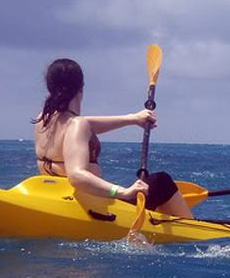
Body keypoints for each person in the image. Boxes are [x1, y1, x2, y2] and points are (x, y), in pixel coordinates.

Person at [32, 58, 192, 218]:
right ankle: (193, 228)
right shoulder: (77, 125)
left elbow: (86, 125)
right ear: (81, 87)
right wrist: (123, 192)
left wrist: (133, 118)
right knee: (161, 182)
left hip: (60, 196)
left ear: (50, 87)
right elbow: (76, 176)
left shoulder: (43, 120)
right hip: (93, 207)